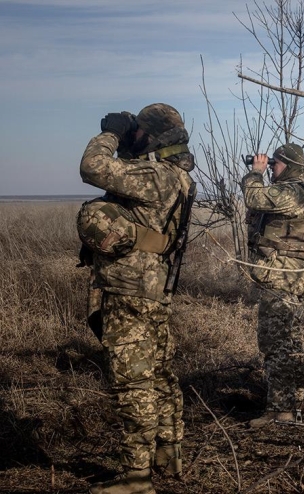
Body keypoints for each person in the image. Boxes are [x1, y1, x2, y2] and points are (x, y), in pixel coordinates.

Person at [77, 103, 195, 494]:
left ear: (156, 138)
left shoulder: (156, 175)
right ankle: (168, 454)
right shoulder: (174, 175)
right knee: (159, 375)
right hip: (152, 291)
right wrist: (132, 144)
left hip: (130, 292)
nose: (134, 139)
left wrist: (112, 133)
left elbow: (92, 166)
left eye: (140, 134)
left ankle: (137, 480)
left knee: (133, 385)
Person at [240, 143, 304, 427]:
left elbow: (254, 198)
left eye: (274, 164)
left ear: (287, 165)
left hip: (281, 275)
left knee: (275, 343)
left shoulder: (294, 191)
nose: (271, 169)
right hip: (290, 275)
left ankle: (279, 411)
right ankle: (295, 403)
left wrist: (255, 172)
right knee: (290, 342)